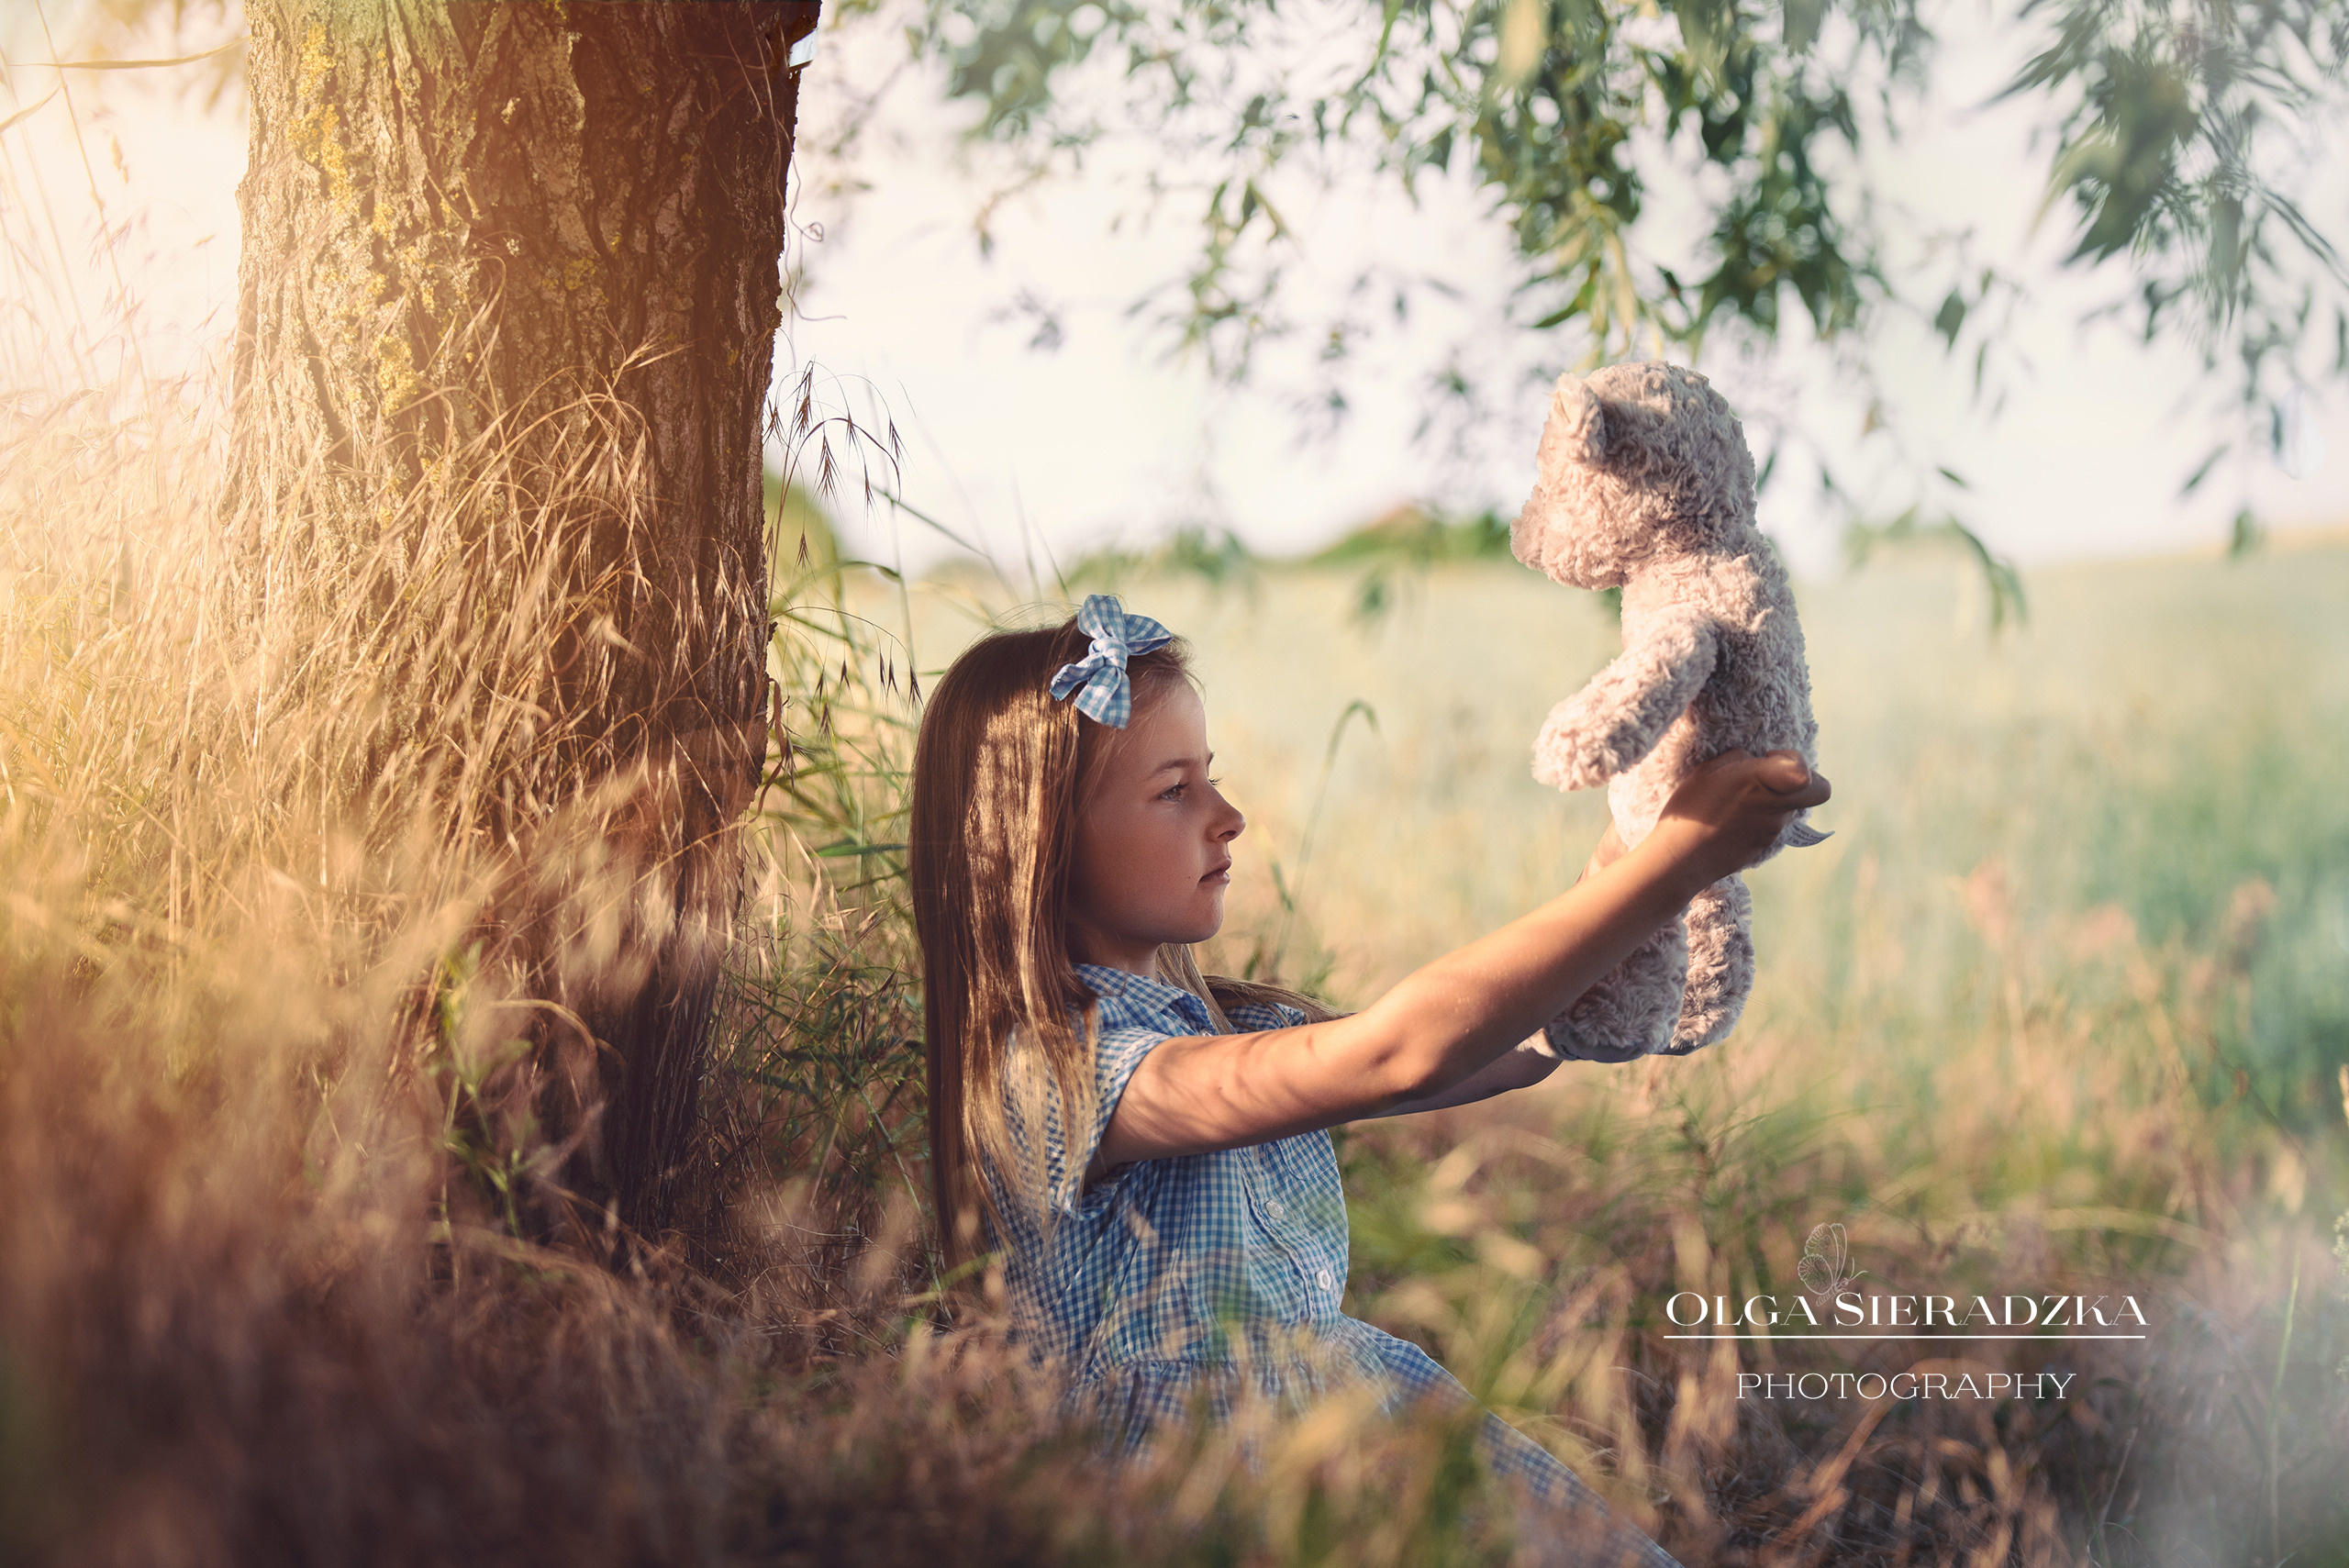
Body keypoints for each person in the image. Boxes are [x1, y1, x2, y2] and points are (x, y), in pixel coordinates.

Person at [907, 595, 1830, 1566]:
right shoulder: (1055, 1075)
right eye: (1174, 790)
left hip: (1338, 1427)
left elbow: (1479, 1050)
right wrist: (1673, 863)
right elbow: (1399, 1053)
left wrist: (1630, 859)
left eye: (1211, 776)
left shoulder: (1225, 1026)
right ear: (1041, 838)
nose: (1228, 817)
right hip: (1203, 1495)